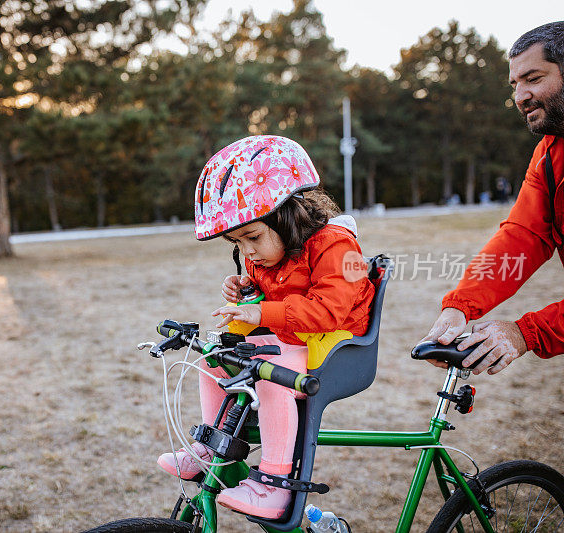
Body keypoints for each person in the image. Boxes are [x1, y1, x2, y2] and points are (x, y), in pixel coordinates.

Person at [157, 135, 375, 519]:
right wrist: (245, 291)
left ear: (288, 215)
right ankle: (209, 448)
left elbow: (329, 312)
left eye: (253, 237)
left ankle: (273, 484)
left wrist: (263, 315)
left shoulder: (339, 247)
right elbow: (272, 293)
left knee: (271, 376)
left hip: (338, 346)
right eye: (237, 243)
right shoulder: (270, 252)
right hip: (294, 339)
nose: (248, 252)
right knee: (213, 359)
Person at [423, 21, 564, 374]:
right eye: (515, 84)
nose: (519, 97)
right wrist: (459, 307)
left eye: (534, 78)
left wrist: (525, 333)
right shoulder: (549, 154)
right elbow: (523, 236)